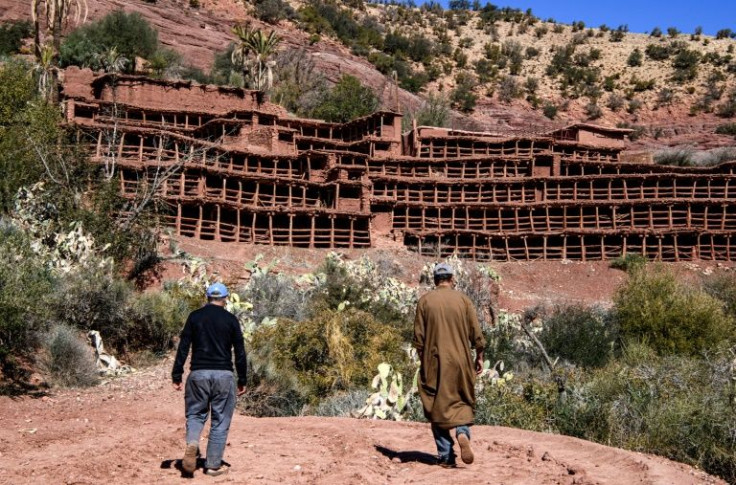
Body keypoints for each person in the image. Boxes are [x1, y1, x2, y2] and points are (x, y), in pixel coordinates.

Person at [413, 263, 486, 468]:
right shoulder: (463, 300)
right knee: (461, 399)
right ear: (451, 278)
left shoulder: (425, 301)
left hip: (435, 361)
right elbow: (476, 334)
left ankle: (446, 456)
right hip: (461, 360)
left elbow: (419, 338)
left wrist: (424, 360)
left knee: (437, 403)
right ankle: (462, 432)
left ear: (435, 280)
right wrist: (479, 356)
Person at [172, 282, 248, 477]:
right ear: (225, 298)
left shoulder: (195, 317)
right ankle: (213, 465)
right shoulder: (231, 320)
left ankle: (193, 443)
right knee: (220, 419)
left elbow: (183, 347)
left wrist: (177, 374)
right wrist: (242, 379)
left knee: (195, 414)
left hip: (198, 374)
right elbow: (240, 352)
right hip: (223, 375)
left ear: (207, 297)